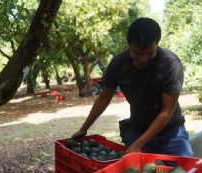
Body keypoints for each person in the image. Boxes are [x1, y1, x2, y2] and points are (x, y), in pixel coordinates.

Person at [72, 17, 193, 157]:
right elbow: (103, 99)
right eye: (137, 53)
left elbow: (166, 112)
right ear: (129, 45)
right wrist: (83, 129)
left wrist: (137, 145)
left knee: (183, 170)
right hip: (138, 128)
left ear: (157, 45)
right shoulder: (118, 64)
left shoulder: (170, 64)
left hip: (171, 132)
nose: (143, 59)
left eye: (150, 53)